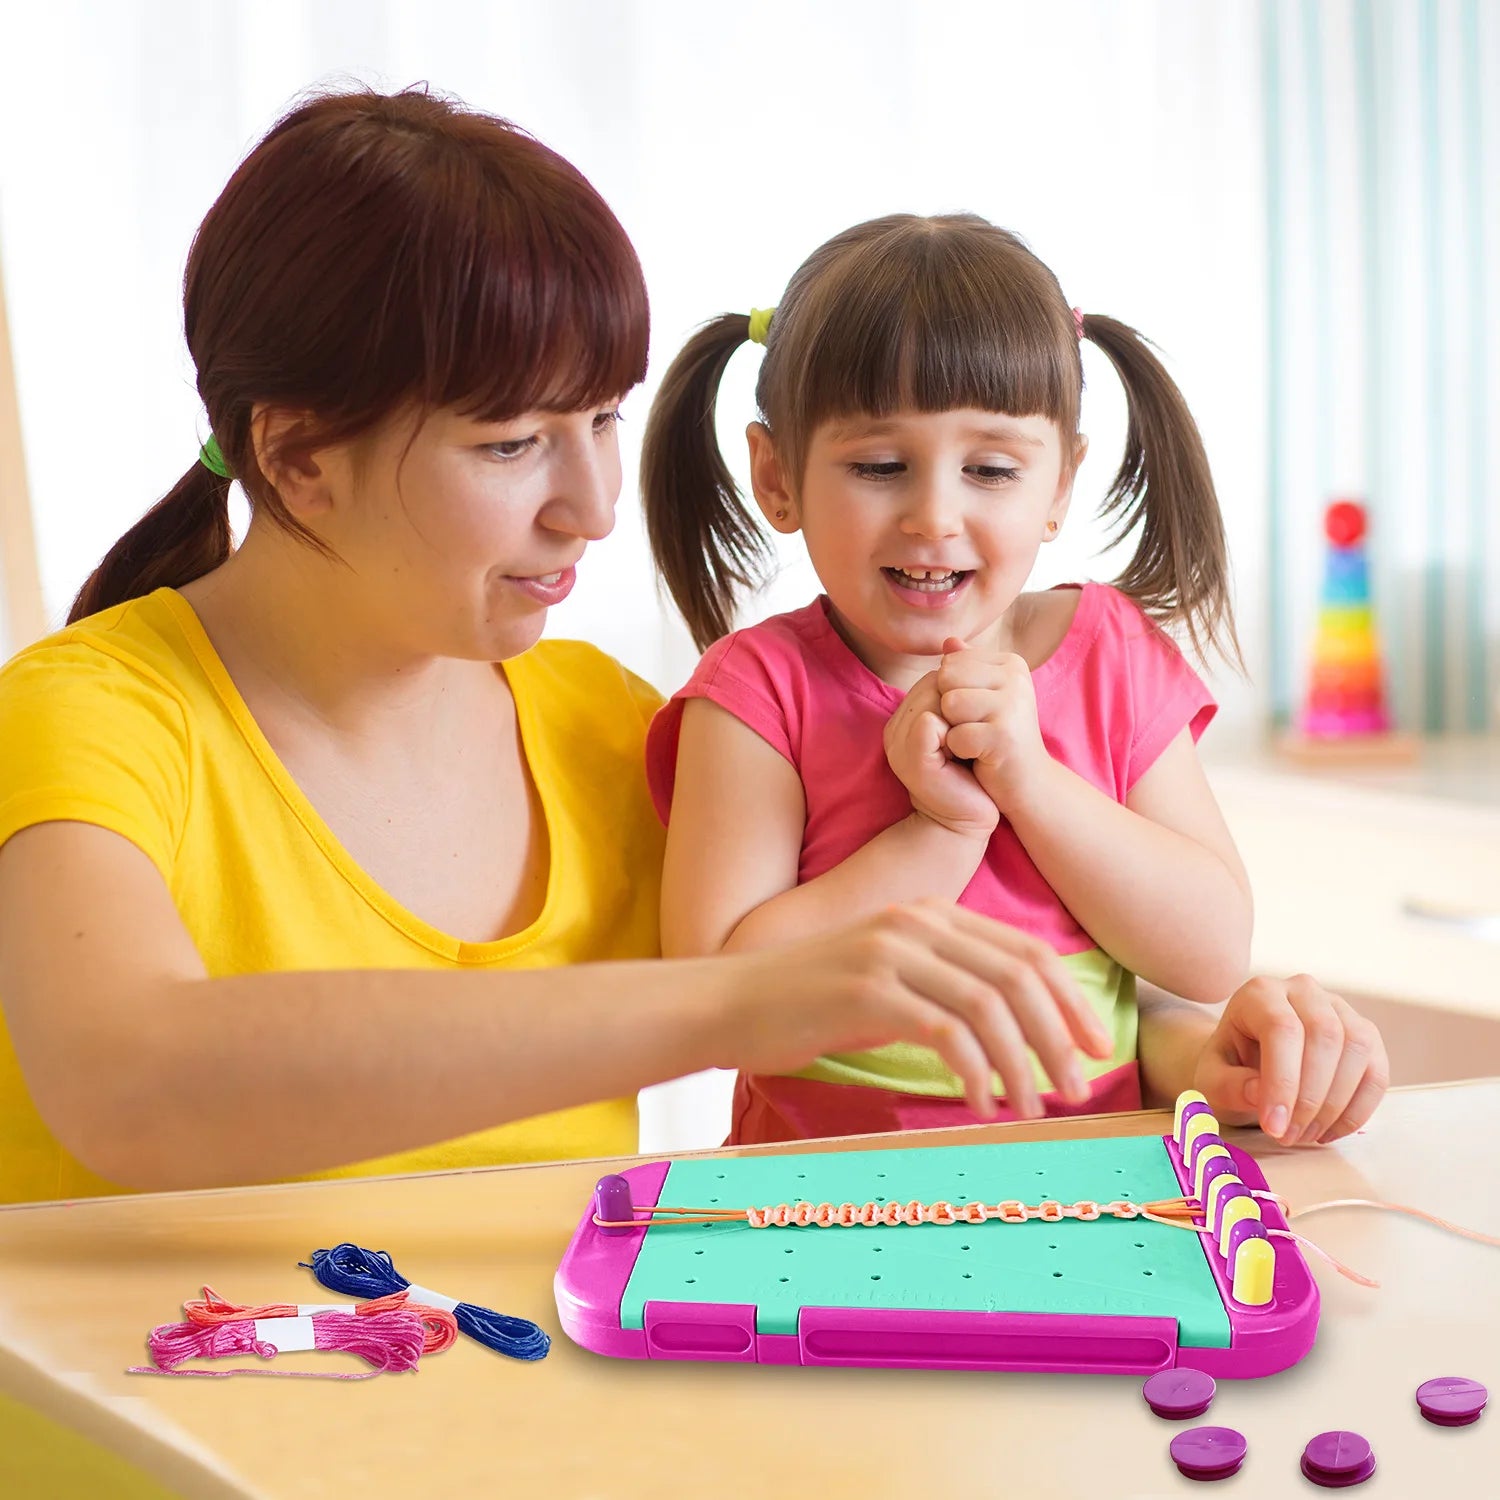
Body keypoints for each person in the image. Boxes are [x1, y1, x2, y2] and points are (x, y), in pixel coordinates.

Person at [0, 94, 1127, 1205]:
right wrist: (732, 999)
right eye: (510, 443)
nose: (590, 507)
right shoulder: (86, 713)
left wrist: (1202, 1042)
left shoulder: (613, 726)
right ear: (297, 459)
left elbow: (978, 978)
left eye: (601, 421)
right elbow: (127, 1086)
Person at [640, 213, 1389, 1146]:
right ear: (777, 475)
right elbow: (715, 1000)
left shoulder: (1110, 654)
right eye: (879, 465)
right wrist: (943, 832)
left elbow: (1208, 951)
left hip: (1100, 1192)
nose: (934, 516)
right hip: (816, 1201)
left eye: (991, 469)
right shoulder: (758, 693)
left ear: (1061, 484)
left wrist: (1029, 779)